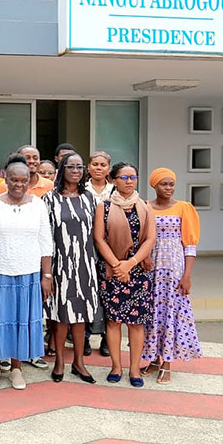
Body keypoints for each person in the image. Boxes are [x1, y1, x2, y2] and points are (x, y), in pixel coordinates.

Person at [0, 161, 52, 390]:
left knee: (21, 320)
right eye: (14, 180)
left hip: (28, 274)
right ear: (5, 179)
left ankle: (17, 368)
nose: (19, 184)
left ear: (29, 181)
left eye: (23, 180)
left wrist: (47, 276)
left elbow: (45, 242)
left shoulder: (38, 205)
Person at [94, 162, 157, 387]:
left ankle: (134, 369)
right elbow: (99, 239)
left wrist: (130, 263)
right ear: (113, 180)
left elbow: (150, 239)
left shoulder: (145, 206)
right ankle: (116, 366)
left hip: (138, 270)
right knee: (113, 321)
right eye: (124, 177)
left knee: (136, 323)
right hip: (112, 271)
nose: (129, 181)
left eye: (133, 177)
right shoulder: (104, 206)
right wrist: (117, 265)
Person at [141, 168, 203, 384]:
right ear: (154, 185)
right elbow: (140, 237)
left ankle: (167, 364)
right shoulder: (145, 206)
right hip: (150, 268)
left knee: (170, 313)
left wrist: (187, 276)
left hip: (173, 269)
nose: (168, 188)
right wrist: (144, 256)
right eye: (163, 184)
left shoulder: (184, 208)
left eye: (171, 184)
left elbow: (190, 244)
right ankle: (154, 359)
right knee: (152, 314)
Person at [43, 153, 98, 384]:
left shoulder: (89, 198)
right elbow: (44, 236)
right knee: (61, 314)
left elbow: (97, 234)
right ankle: (59, 362)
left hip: (85, 263)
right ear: (62, 169)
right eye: (70, 166)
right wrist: (46, 272)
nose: (75, 171)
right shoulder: (50, 198)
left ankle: (79, 362)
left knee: (81, 313)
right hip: (59, 264)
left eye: (79, 167)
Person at [85, 150, 113, 357]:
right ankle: (84, 337)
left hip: (110, 249)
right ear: (89, 167)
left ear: (108, 168)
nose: (98, 168)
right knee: (87, 292)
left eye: (103, 165)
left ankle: (106, 338)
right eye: (95, 164)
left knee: (108, 294)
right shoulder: (81, 189)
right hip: (86, 247)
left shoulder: (116, 189)